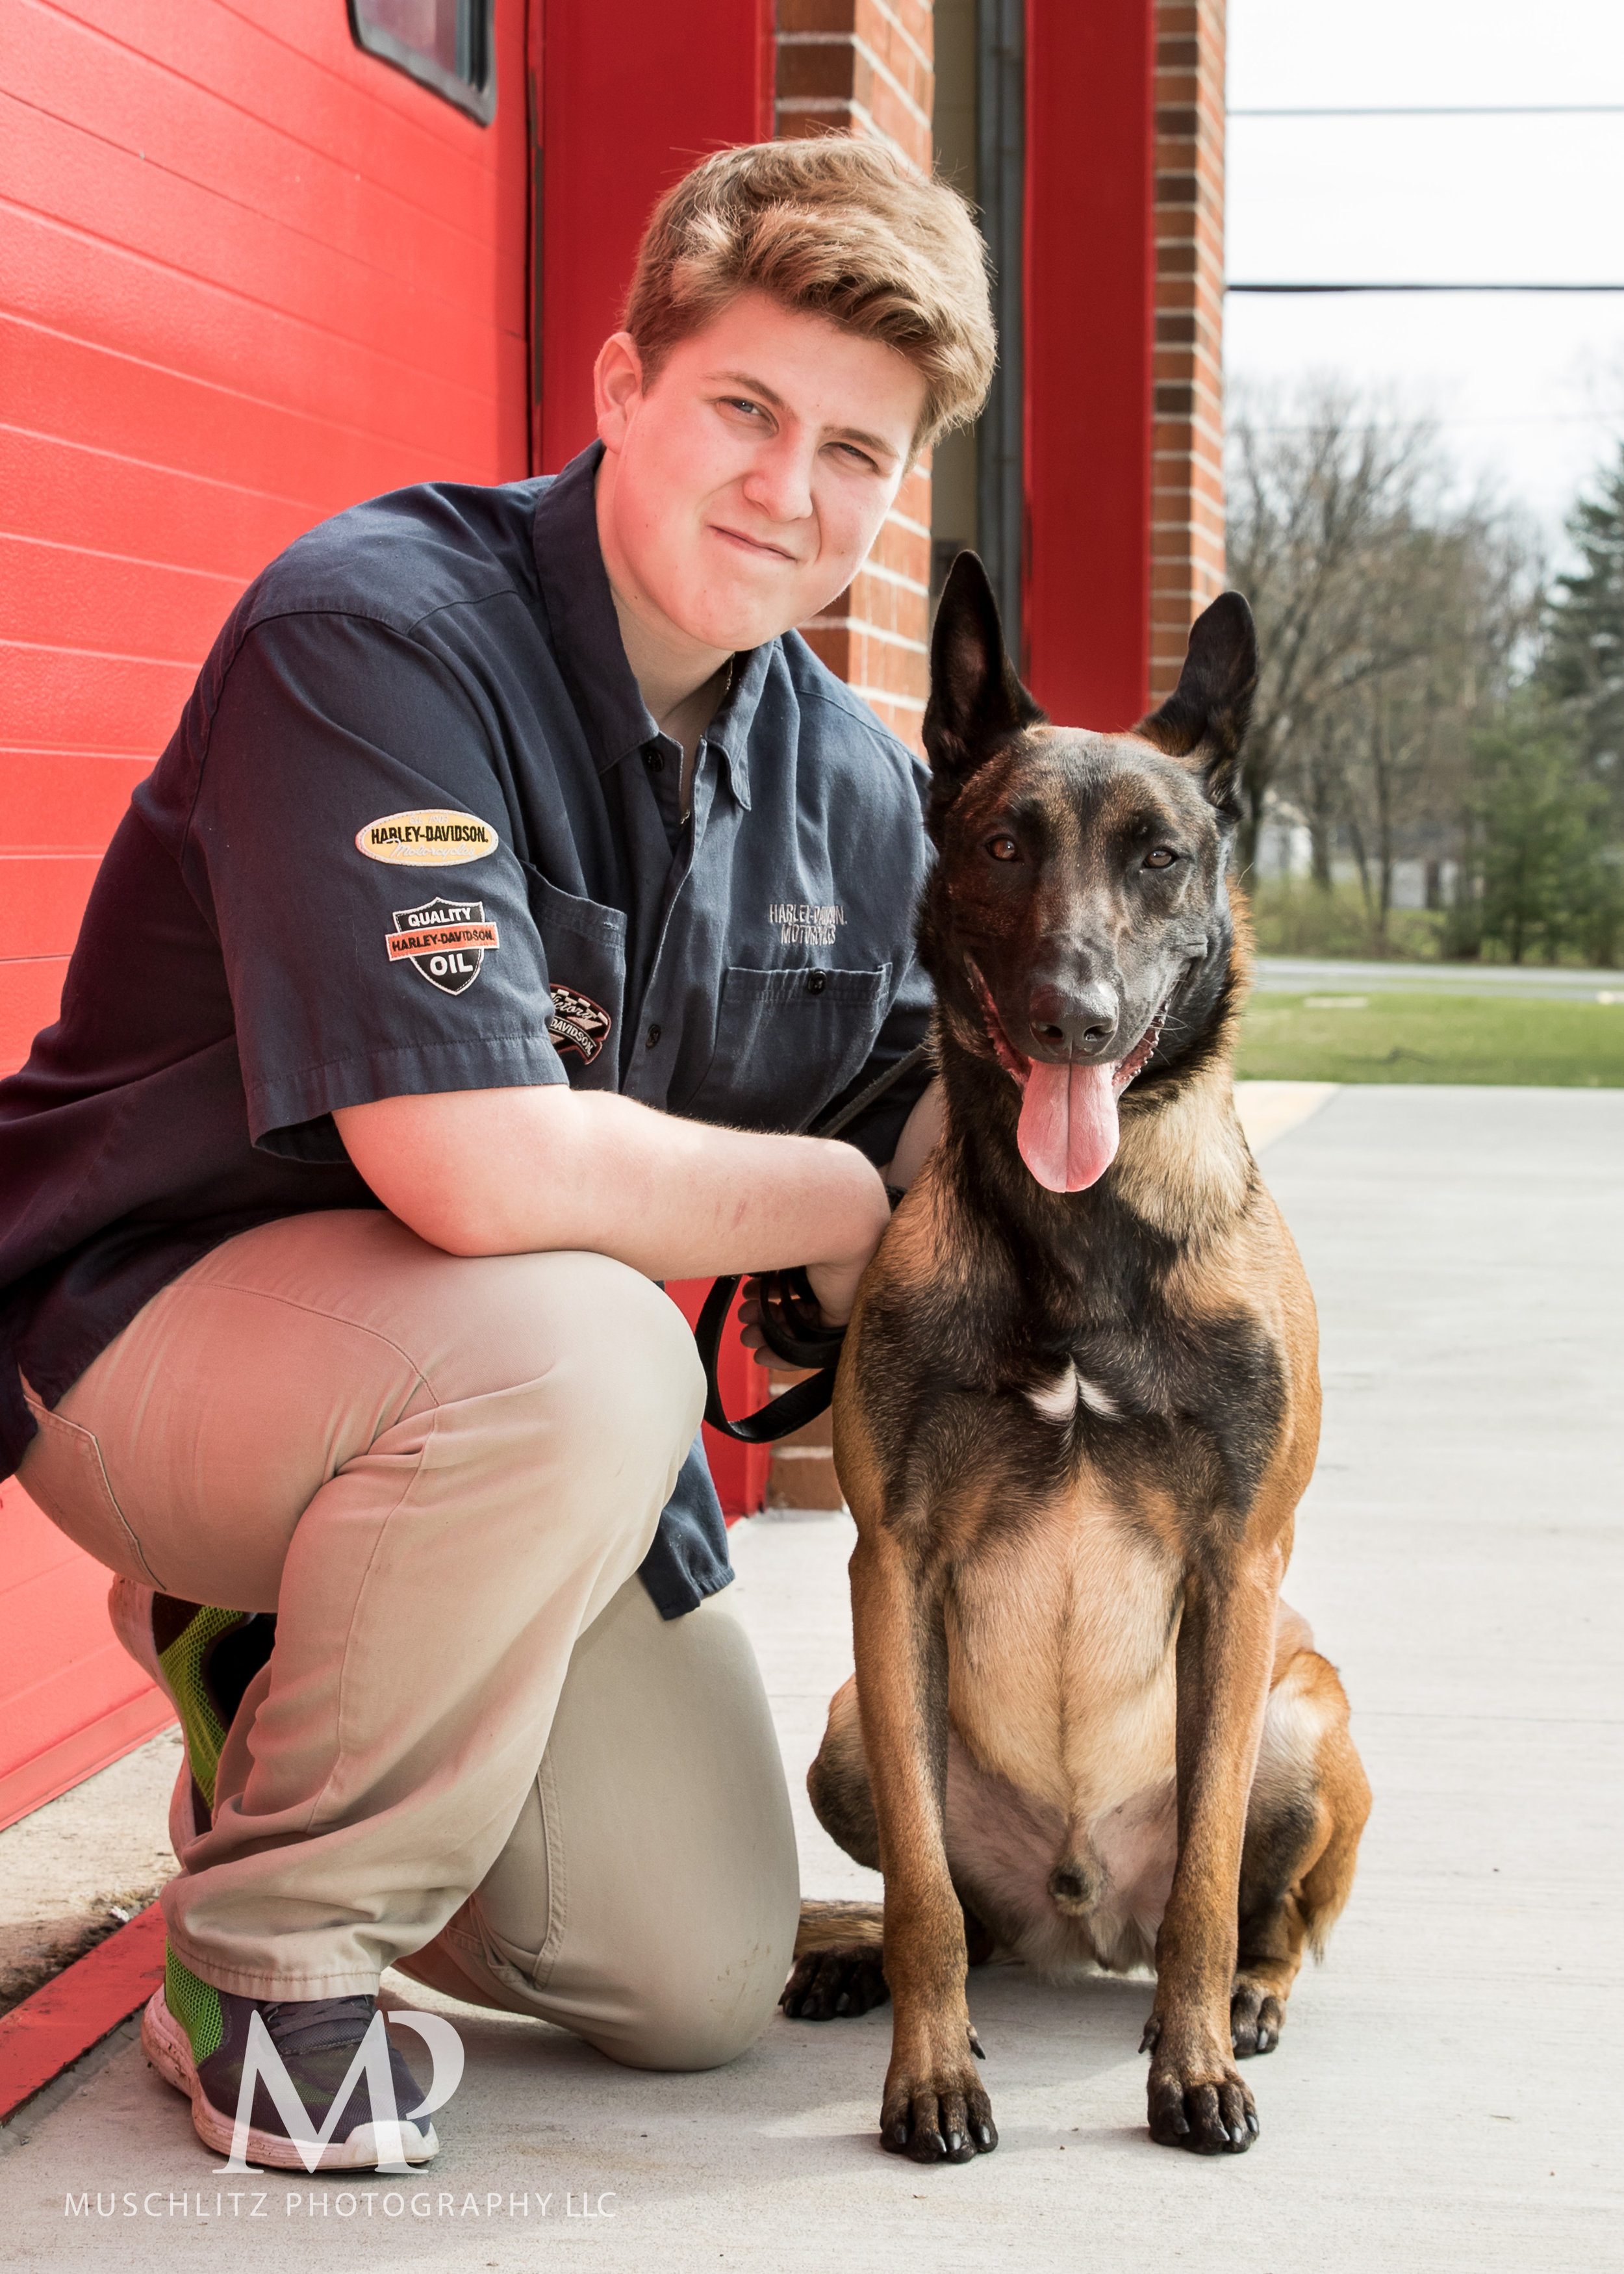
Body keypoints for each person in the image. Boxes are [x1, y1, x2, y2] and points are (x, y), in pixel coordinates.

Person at [0, 136, 994, 2167]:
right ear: (623, 386)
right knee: (586, 1342)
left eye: (854, 455)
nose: (786, 489)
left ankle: (280, 1673)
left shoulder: (856, 784)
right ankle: (268, 1952)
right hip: (154, 1328)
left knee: (693, 1979)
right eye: (744, 407)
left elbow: (925, 1115)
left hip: (501, 1431)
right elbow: (469, 1168)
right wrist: (826, 1201)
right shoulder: (373, 630)